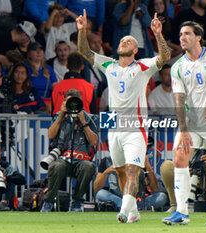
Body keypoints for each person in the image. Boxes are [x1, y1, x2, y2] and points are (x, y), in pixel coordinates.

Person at [77, 9, 170, 223]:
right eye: (122, 40)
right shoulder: (108, 65)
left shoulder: (142, 66)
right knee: (120, 172)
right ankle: (134, 212)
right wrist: (81, 30)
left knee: (132, 170)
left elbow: (164, 57)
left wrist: (157, 33)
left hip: (135, 129)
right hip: (114, 130)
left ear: (136, 49)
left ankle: (123, 212)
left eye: (128, 40)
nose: (124, 41)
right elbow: (84, 51)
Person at [162, 21, 206, 226]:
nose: (182, 37)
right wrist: (183, 130)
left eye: (187, 34)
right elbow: (179, 100)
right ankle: (182, 212)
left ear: (198, 37)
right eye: (181, 34)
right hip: (191, 123)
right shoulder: (177, 67)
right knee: (179, 159)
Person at [40, 89, 98, 212]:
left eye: (74, 103)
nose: (72, 106)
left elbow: (93, 141)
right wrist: (61, 115)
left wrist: (83, 122)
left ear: (80, 103)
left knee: (88, 167)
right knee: (56, 166)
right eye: (68, 103)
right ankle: (48, 202)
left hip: (81, 161)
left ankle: (77, 202)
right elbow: (50, 135)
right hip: (63, 159)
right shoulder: (59, 116)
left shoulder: (90, 118)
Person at [160, 149, 206, 213]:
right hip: (187, 178)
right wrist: (183, 168)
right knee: (167, 166)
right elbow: (176, 161)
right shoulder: (184, 141)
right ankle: (175, 205)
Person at [94, 156, 167, 211]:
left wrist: (148, 166)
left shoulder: (137, 159)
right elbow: (96, 188)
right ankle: (130, 207)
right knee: (101, 193)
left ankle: (130, 207)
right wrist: (106, 172)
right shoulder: (107, 161)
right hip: (118, 198)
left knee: (161, 197)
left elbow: (155, 189)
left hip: (138, 199)